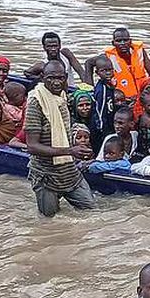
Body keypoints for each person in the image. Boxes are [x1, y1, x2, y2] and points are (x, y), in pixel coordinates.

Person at [25, 60, 96, 217]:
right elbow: (32, 146)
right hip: (46, 174)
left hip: (69, 171)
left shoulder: (62, 97)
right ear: (42, 77)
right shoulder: (36, 103)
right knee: (49, 221)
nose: (56, 82)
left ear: (65, 77)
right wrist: (70, 151)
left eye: (60, 78)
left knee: (92, 211)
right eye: (51, 78)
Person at [102, 27, 150, 100]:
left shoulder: (140, 52)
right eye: (118, 41)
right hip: (123, 99)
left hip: (143, 96)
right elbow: (89, 63)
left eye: (125, 40)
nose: (122, 43)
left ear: (130, 41)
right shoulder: (107, 57)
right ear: (113, 43)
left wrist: (147, 91)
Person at [89, 57, 118, 140]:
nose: (108, 73)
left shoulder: (109, 85)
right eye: (103, 71)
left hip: (110, 121)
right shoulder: (102, 89)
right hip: (104, 126)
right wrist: (101, 127)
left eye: (110, 70)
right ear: (97, 72)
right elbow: (100, 110)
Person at [70, 88, 103, 154]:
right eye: (80, 105)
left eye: (87, 104)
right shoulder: (70, 124)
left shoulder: (98, 122)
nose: (85, 108)